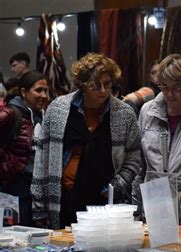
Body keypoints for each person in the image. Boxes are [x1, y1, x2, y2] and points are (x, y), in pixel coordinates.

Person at [31, 53, 141, 229]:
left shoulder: (124, 114)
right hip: (63, 197)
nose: (104, 91)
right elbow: (42, 157)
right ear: (82, 85)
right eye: (96, 86)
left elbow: (134, 157)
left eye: (108, 84)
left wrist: (116, 186)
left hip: (104, 200)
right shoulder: (58, 108)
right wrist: (38, 204)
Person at [133, 54, 181, 225]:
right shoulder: (147, 111)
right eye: (163, 87)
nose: (169, 94)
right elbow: (140, 167)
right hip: (152, 207)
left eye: (176, 87)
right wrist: (137, 208)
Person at [1, 71, 48, 227]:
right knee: (13, 235)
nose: (43, 95)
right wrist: (7, 162)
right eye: (38, 90)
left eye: (45, 91)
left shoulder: (42, 115)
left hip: (36, 188)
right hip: (14, 186)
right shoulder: (11, 113)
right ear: (23, 92)